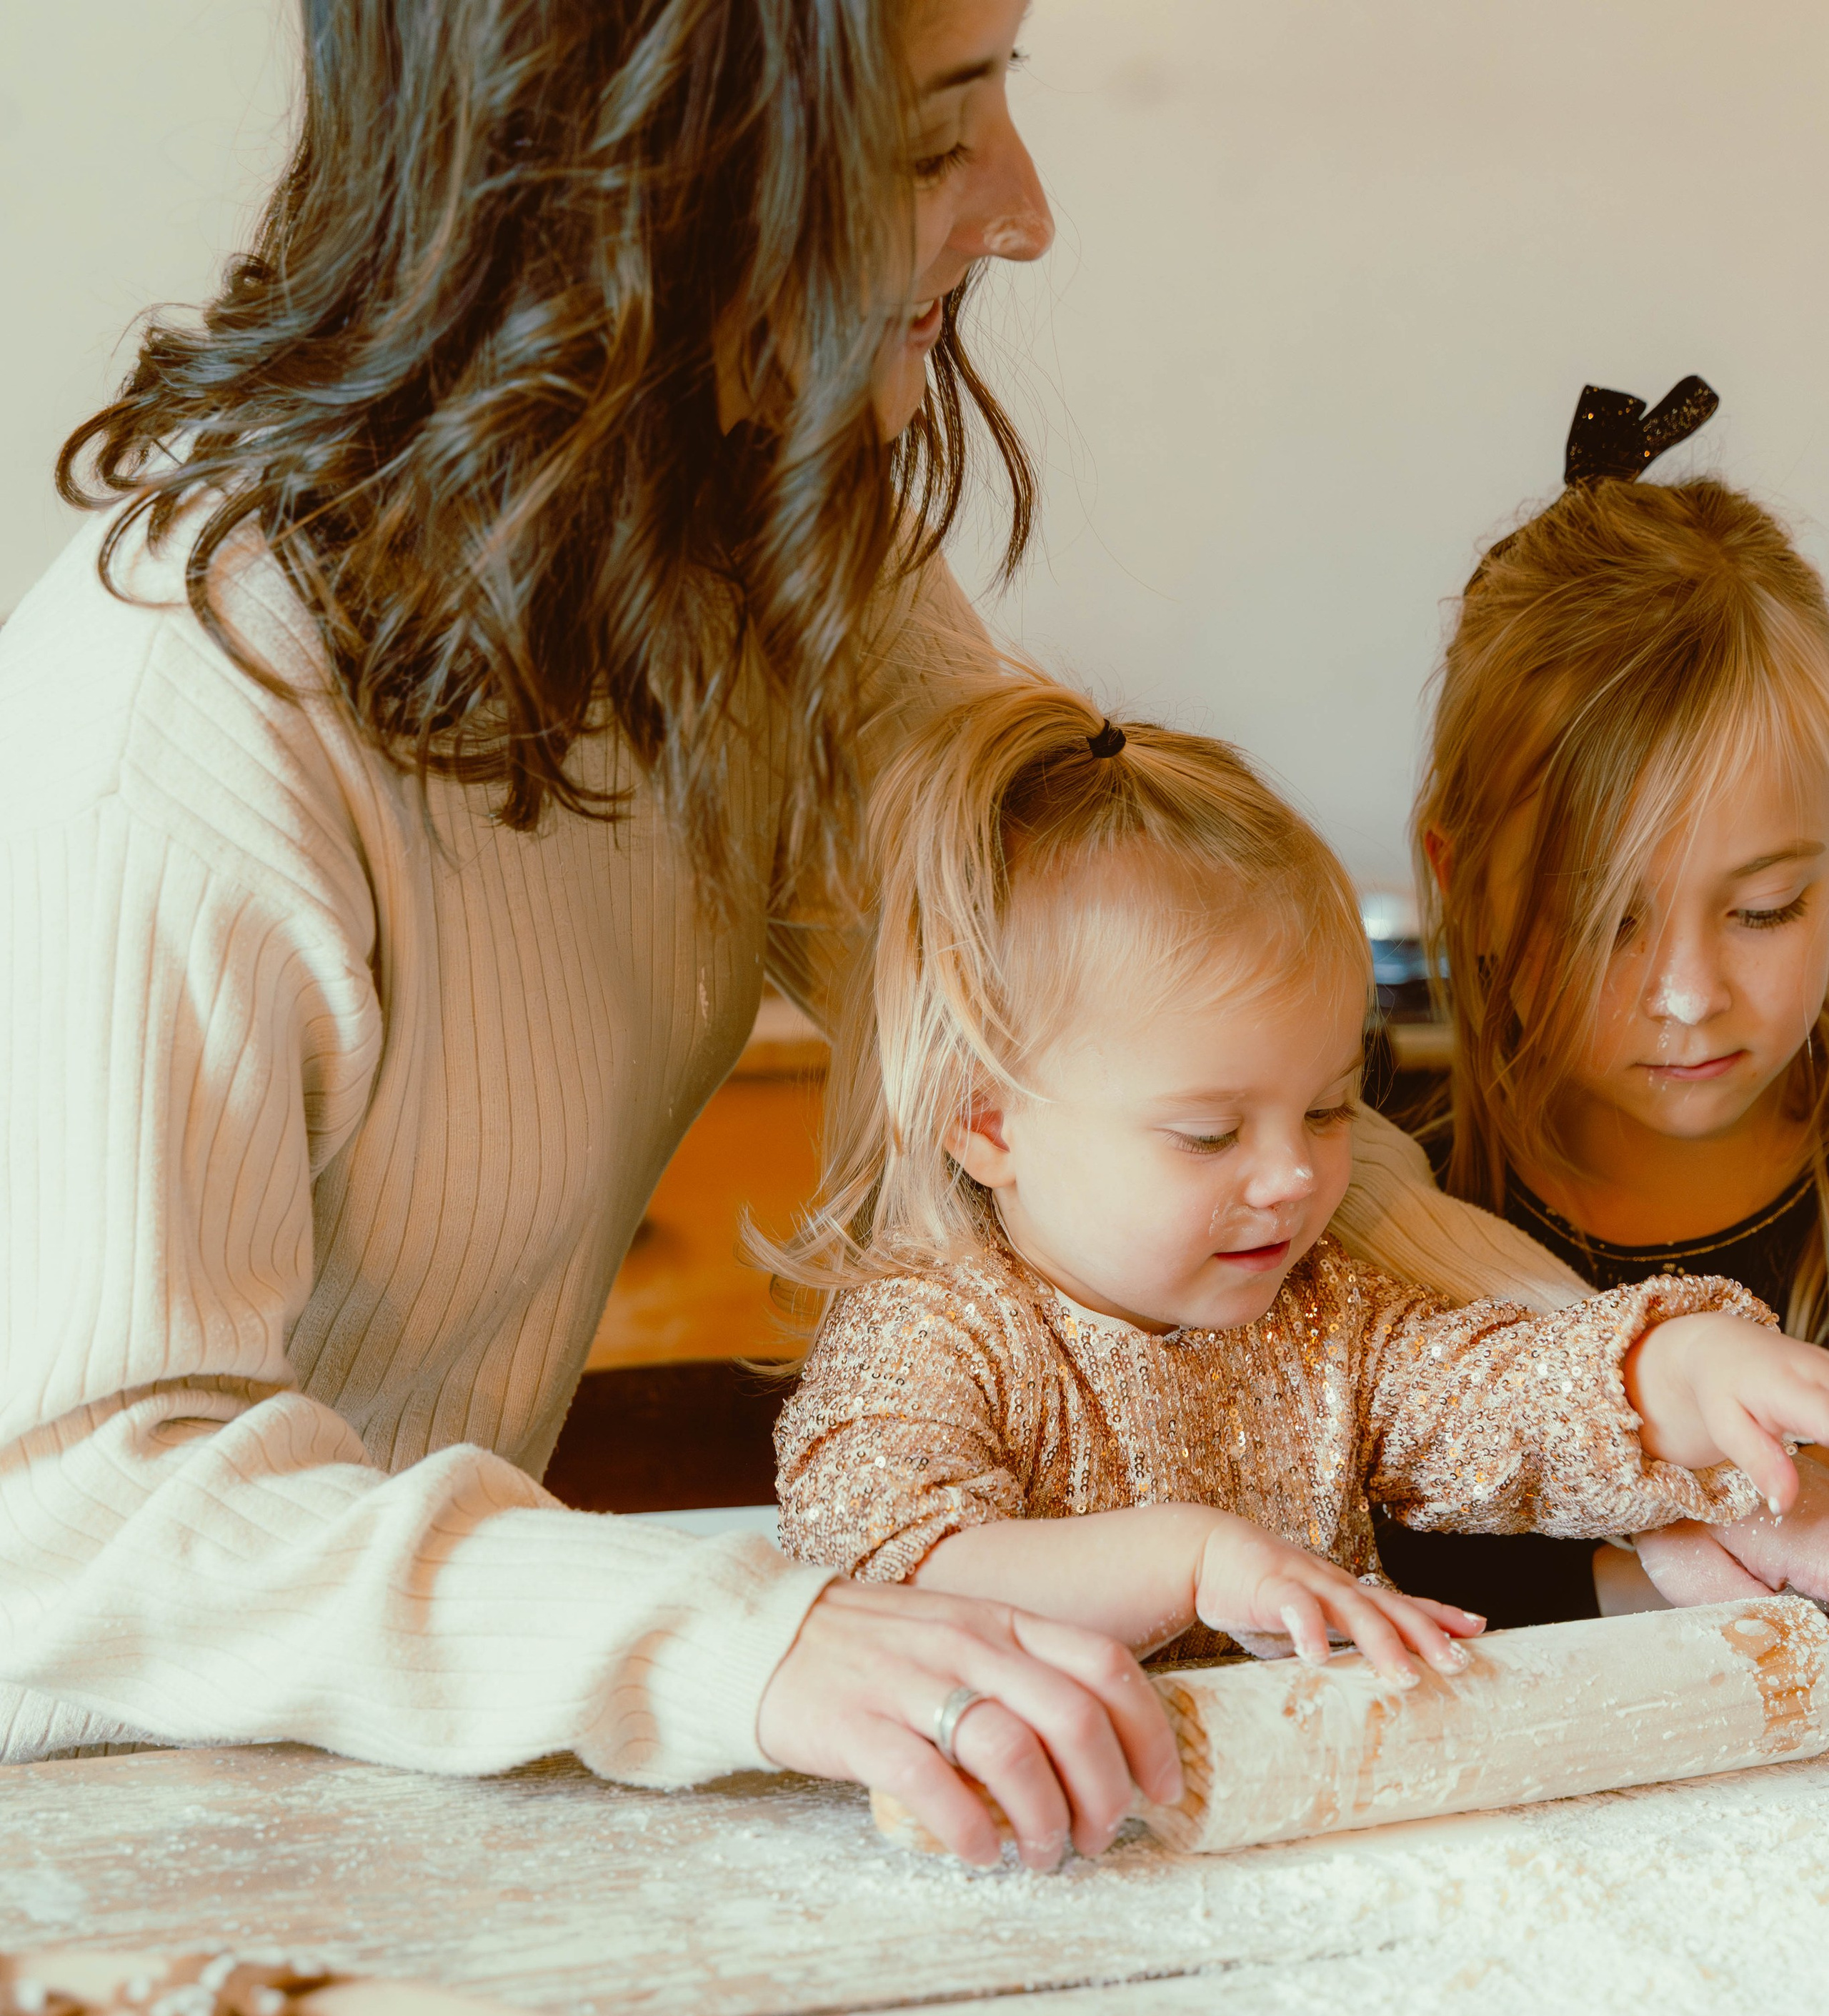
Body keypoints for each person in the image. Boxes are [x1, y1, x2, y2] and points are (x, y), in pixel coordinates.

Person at [0, 3, 1788, 1874]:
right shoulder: (177, 722)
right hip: (97, 1832)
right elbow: (82, 1524)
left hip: (402, 1793)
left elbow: (1140, 1061)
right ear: (634, 159)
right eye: (939, 137)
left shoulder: (755, 544)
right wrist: (747, 1642)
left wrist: (1661, 1414)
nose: (1021, 213)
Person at [772, 679, 1829, 1700]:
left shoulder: (1324, 1318)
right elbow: (880, 1575)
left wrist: (1678, 1369)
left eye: (1328, 1110)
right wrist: (1193, 1566)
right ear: (987, 1120)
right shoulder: (930, 1338)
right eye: (1210, 1133)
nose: (1293, 1178)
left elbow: (1506, 1397)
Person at [1373, 380, 1829, 1627]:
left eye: (1767, 908)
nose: (1688, 996)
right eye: (1603, 919)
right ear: (1463, 884)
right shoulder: (1381, 1230)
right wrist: (1632, 1571)